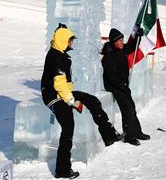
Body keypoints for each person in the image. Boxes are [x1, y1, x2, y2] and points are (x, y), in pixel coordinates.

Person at [41, 24, 122, 179]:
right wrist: (72, 101)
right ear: (63, 40)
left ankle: (109, 134)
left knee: (92, 101)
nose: (71, 43)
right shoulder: (56, 56)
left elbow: (63, 84)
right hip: (53, 97)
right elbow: (58, 83)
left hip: (62, 93)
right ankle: (62, 169)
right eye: (70, 40)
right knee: (68, 127)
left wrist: (71, 97)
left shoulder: (60, 54)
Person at [101, 28, 150, 146]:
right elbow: (112, 76)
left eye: (123, 39)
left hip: (122, 85)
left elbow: (131, 46)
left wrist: (136, 35)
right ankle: (129, 136)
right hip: (113, 86)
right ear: (113, 42)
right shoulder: (108, 55)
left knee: (131, 106)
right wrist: (122, 85)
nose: (122, 42)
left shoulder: (121, 49)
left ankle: (137, 132)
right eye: (120, 40)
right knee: (127, 108)